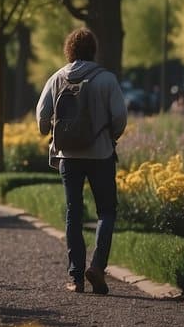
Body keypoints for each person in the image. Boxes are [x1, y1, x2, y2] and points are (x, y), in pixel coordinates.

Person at [36, 28, 127, 295]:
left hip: (68, 157)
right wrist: (110, 136)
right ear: (93, 49)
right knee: (106, 212)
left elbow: (41, 120)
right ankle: (97, 267)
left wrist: (54, 130)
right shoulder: (107, 80)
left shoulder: (57, 78)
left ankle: (75, 278)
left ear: (69, 50)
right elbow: (120, 117)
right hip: (100, 154)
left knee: (73, 214)